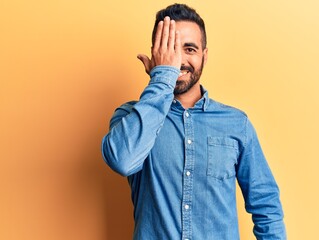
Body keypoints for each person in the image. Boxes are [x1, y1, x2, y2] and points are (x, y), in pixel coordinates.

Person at [101, 3, 286, 240]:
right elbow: (122, 160)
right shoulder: (131, 117)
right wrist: (162, 79)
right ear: (158, 53)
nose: (178, 60)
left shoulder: (236, 124)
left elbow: (266, 205)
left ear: (204, 56)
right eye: (171, 48)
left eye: (189, 49)